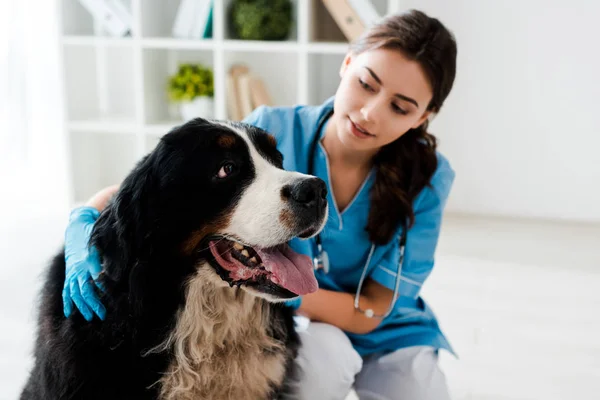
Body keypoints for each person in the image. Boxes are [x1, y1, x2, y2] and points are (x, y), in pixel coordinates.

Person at [61, 9, 458, 400]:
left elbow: (371, 309)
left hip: (385, 327)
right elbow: (166, 186)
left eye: (400, 107)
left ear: (425, 116)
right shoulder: (272, 130)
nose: (370, 112)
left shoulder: (429, 178)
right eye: (367, 84)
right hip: (309, 323)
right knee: (319, 368)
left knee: (421, 392)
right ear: (348, 62)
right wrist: (84, 221)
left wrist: (284, 281)